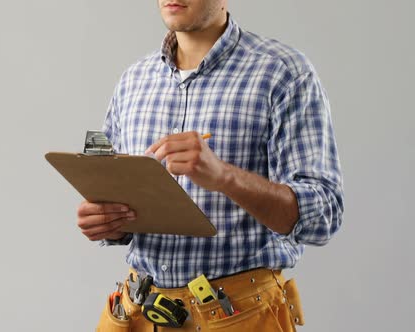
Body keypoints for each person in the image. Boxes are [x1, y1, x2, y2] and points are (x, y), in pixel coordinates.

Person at [77, 1, 344, 331]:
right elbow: (118, 194)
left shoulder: (283, 73)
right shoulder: (134, 80)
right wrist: (107, 221)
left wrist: (224, 177)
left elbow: (324, 216)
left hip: (238, 318)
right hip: (136, 314)